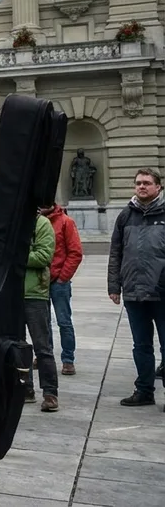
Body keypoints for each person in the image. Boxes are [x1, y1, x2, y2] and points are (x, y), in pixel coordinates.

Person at [109, 168, 165, 407]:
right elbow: (116, 253)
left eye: (147, 183)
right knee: (141, 345)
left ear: (158, 187)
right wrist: (114, 285)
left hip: (162, 292)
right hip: (133, 292)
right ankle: (144, 390)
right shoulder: (125, 216)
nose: (142, 186)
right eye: (138, 183)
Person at [38, 202, 83, 376]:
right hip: (40, 281)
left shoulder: (65, 221)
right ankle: (44, 355)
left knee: (64, 322)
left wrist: (63, 277)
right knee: (43, 323)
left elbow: (75, 252)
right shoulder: (35, 221)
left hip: (58, 281)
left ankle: (68, 359)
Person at [24, 212, 60, 412]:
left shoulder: (42, 223)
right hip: (11, 293)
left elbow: (44, 256)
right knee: (18, 346)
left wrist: (16, 254)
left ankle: (50, 392)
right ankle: (25, 388)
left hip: (35, 293)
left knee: (42, 346)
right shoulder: (11, 221)